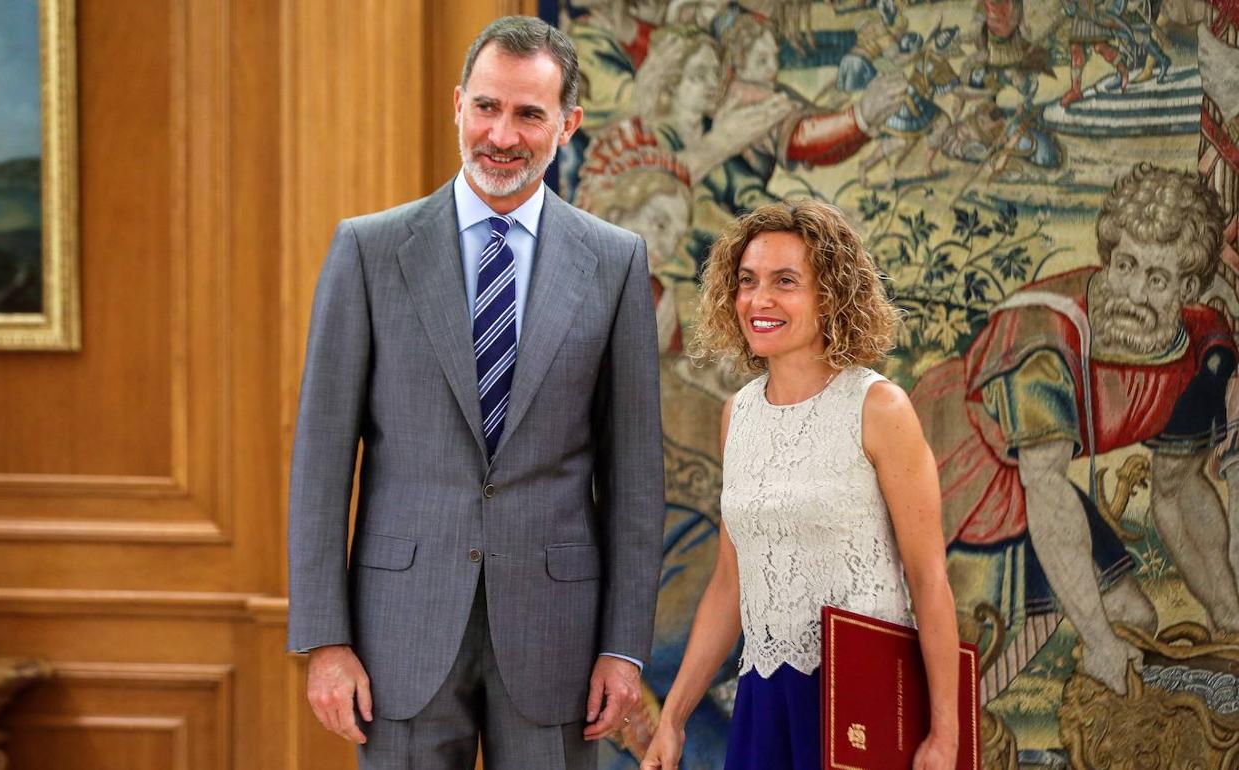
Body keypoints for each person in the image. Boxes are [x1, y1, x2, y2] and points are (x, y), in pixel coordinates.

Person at [285, 16, 666, 770]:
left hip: (559, 637)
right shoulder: (368, 251)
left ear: (568, 125)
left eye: (529, 114)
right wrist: (325, 641)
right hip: (398, 633)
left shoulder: (615, 262)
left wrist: (623, 648)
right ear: (459, 105)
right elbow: (321, 460)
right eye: (487, 107)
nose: (502, 134)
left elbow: (633, 477)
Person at [639, 200, 961, 770]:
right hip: (763, 695)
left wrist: (945, 734)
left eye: (785, 282)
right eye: (747, 281)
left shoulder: (879, 407)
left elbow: (929, 578)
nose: (758, 299)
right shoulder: (738, 415)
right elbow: (730, 583)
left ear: (831, 295)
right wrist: (673, 719)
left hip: (861, 698)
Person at [912, 163, 1239, 696]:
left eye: (1157, 279)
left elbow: (1179, 492)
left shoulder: (1199, 347)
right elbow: (1043, 489)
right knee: (966, 669)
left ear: (1187, 289)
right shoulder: (1044, 337)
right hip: (964, 470)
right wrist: (1099, 642)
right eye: (1125, 265)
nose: (1134, 293)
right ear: (1108, 257)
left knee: (1135, 619)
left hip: (1036, 476)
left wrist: (1229, 618)